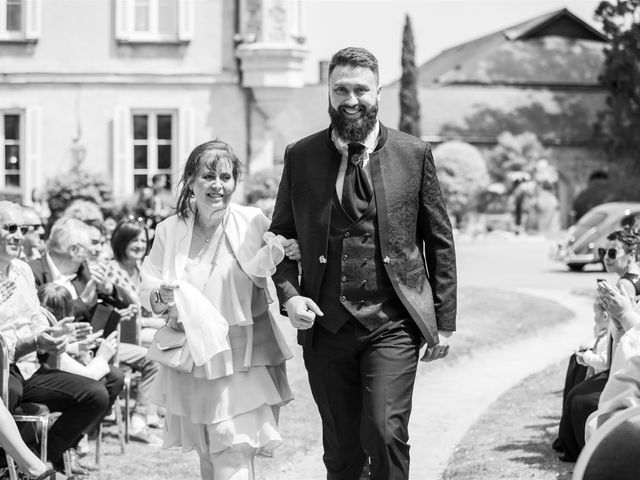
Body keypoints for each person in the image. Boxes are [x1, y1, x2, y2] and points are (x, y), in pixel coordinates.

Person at [269, 47, 457, 480]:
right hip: (326, 326)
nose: (351, 99)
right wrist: (290, 296)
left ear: (379, 94)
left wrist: (443, 321)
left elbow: (439, 240)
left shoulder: (414, 153)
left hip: (392, 323)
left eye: (360, 90)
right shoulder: (301, 155)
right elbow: (281, 238)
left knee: (384, 432)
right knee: (342, 452)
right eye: (341, 90)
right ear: (328, 94)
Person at [140, 140, 300, 480]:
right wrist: (162, 296)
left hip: (242, 357)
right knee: (209, 458)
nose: (218, 185)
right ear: (191, 181)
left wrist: (281, 251)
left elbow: (269, 262)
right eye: (208, 176)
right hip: (193, 359)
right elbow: (149, 289)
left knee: (232, 451)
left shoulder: (252, 221)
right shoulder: (169, 230)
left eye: (226, 177)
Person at [0, 201, 109, 477]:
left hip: (29, 366)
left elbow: (36, 317)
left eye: (22, 229)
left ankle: (36, 459)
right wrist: (36, 342)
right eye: (10, 228)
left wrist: (53, 336)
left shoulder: (22, 270)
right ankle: (15, 465)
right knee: (9, 391)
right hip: (6, 368)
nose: (18, 235)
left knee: (95, 395)